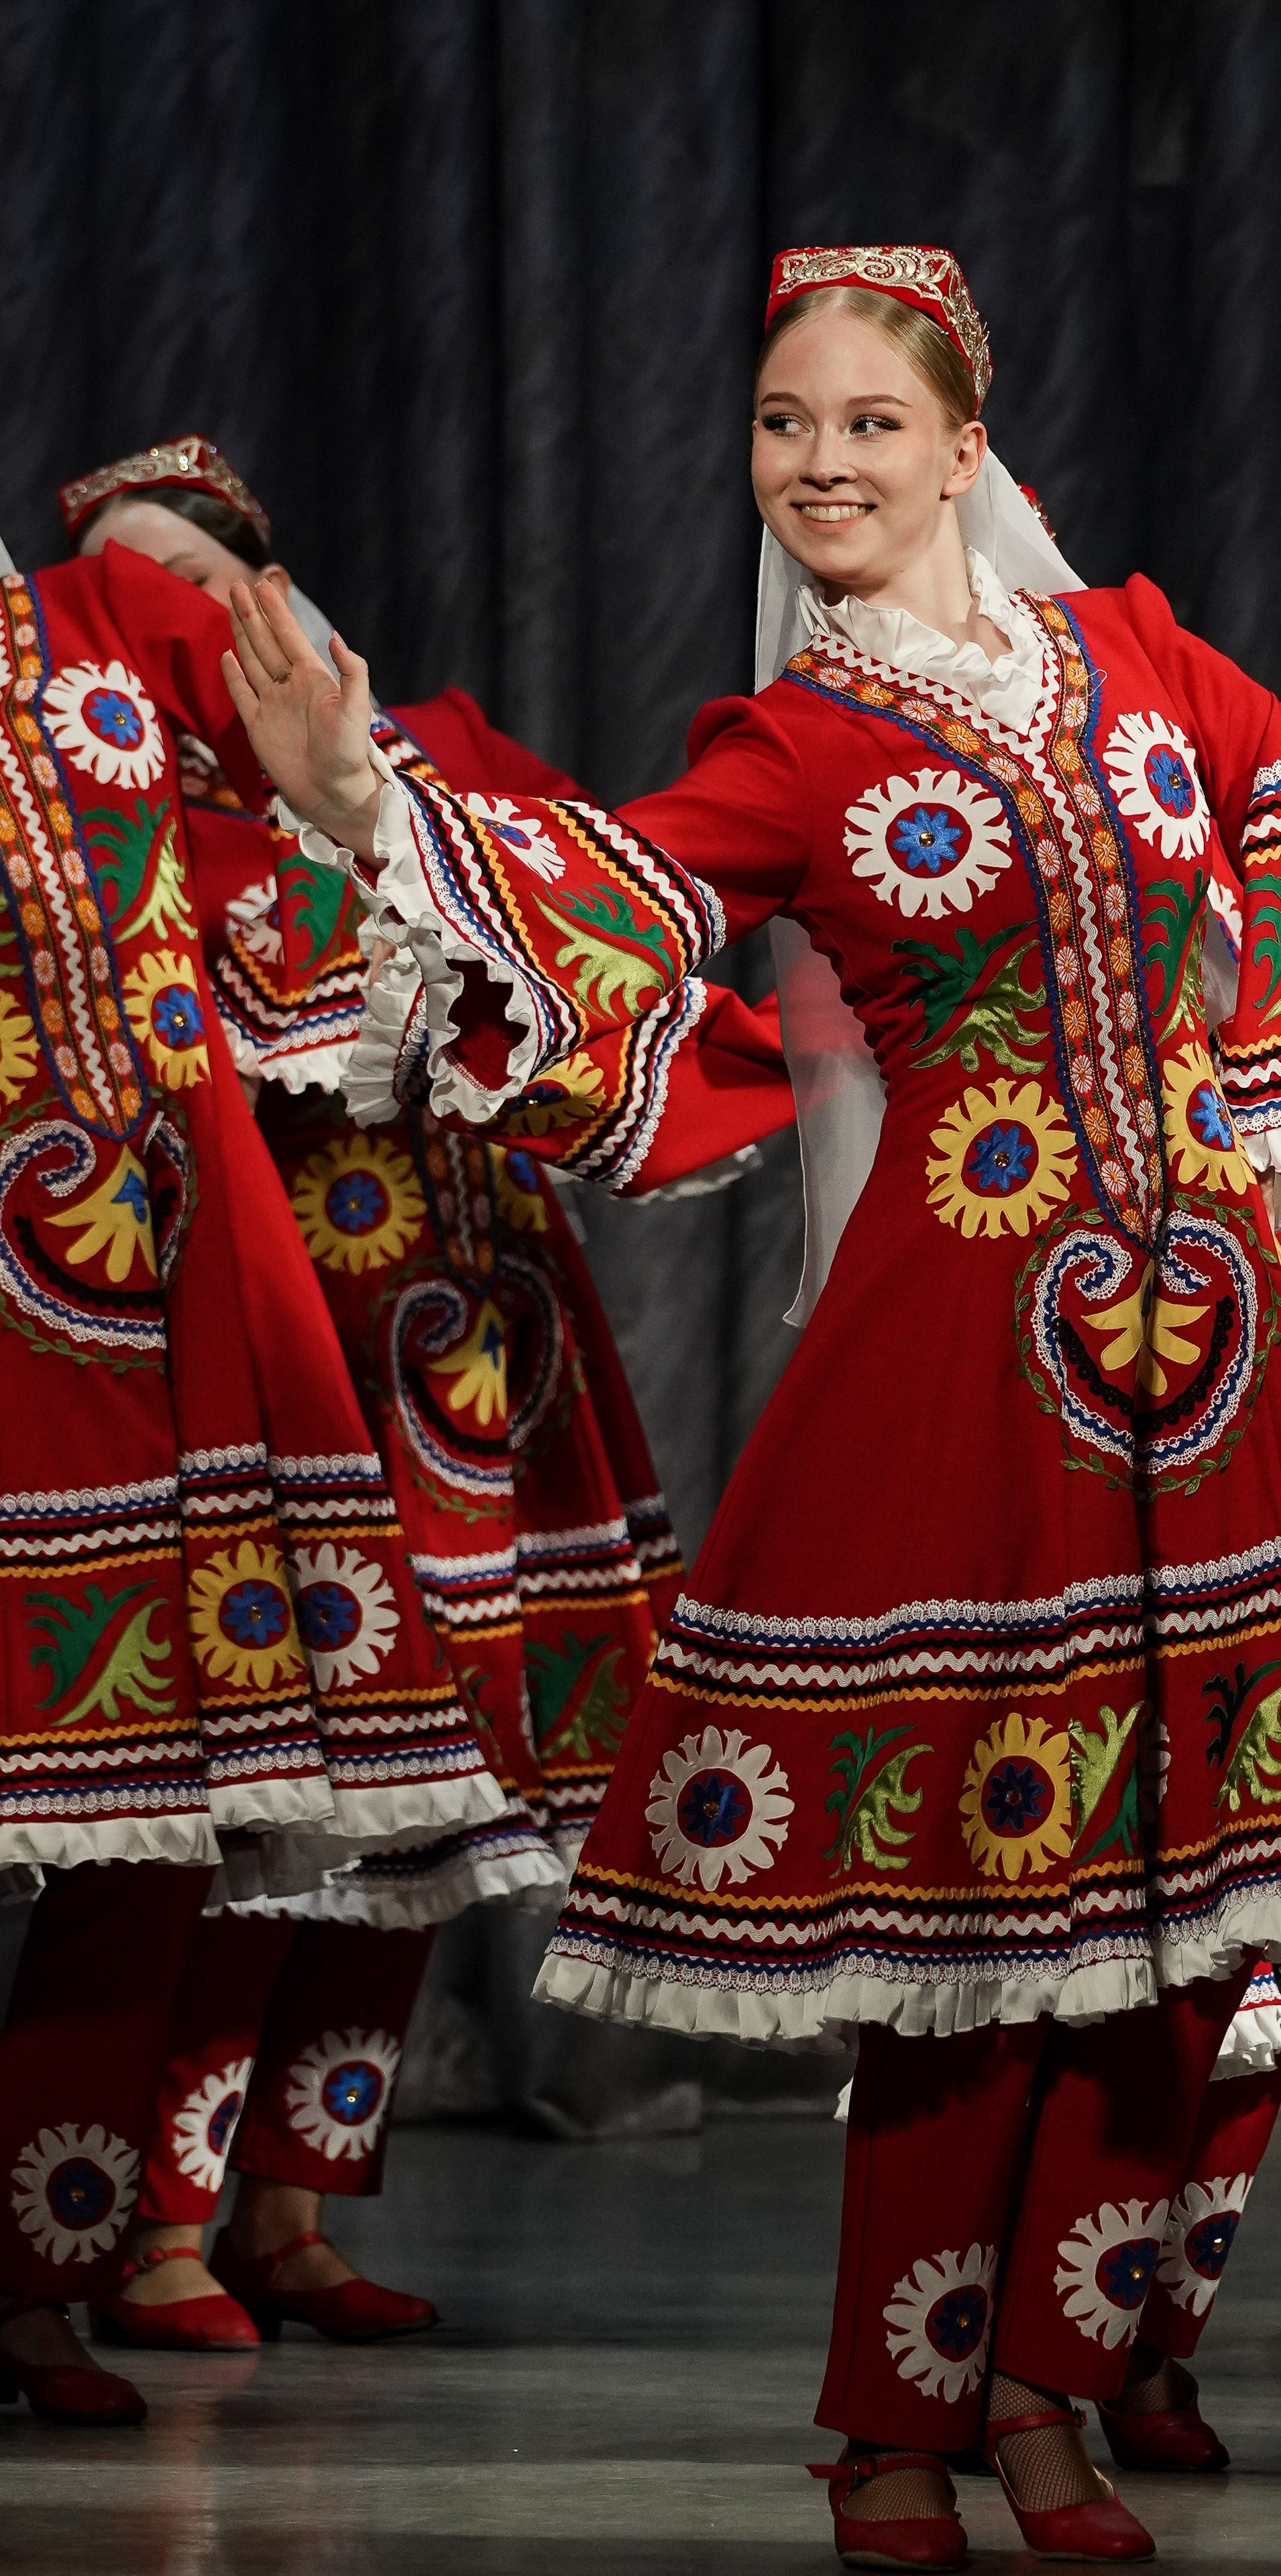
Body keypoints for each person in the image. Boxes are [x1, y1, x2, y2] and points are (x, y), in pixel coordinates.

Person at [225, 246, 1281, 2570]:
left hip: (1222, 1365)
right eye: (780, 427)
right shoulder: (801, 745)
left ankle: (1050, 2391)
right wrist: (370, 804)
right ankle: (891, 2426)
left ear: (963, 440)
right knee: (974, 1923)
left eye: (864, 424)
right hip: (965, 1366)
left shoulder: (1135, 649)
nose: (819, 466)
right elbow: (605, 904)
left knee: (1199, 1920)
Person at [46, 437, 795, 2357]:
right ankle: (149, 2224)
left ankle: (293, 2200)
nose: (202, 625)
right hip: (296, 1344)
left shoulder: (417, 765)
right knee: (270, 1808)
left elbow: (572, 958)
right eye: (150, 602)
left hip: (462, 1353)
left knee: (423, 1815)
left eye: (219, 585)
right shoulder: (147, 817)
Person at [0, 538, 507, 2422]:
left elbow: (316, 844)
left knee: (158, 1816)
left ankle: (52, 2260)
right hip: (52, 1288)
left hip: (170, 1290)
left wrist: (347, 797)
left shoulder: (94, 636)